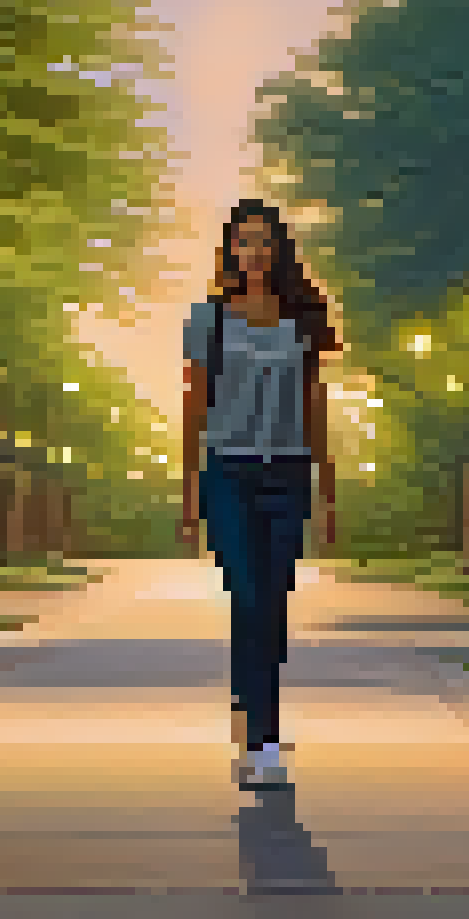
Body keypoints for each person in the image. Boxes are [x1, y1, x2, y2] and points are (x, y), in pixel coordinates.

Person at [180, 199, 338, 790]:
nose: (254, 252)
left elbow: (314, 402)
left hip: (288, 472)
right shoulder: (209, 319)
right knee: (246, 597)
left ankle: (263, 736)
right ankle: (254, 728)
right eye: (244, 241)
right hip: (228, 471)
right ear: (230, 250)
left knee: (272, 603)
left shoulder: (303, 318)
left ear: (279, 250)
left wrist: (327, 489)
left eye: (264, 241)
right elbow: (195, 404)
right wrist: (188, 490)